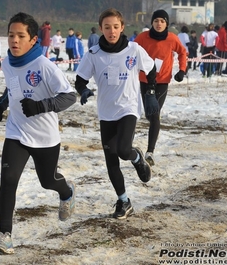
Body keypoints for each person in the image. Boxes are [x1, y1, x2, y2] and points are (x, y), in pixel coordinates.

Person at [0, 12, 76, 255]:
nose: (14, 41)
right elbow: (13, 88)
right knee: (8, 180)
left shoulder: (44, 66)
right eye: (10, 35)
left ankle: (66, 191)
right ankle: (5, 236)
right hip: (16, 131)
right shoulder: (7, 62)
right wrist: (0, 105)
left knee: (47, 181)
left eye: (20, 36)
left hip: (45, 136)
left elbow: (69, 96)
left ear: (33, 39)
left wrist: (41, 106)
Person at [75, 8, 155, 220]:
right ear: (101, 28)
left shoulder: (134, 49)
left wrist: (151, 92)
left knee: (123, 150)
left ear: (122, 28)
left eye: (116, 27)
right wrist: (83, 90)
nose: (112, 31)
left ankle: (136, 157)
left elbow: (151, 68)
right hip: (106, 112)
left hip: (128, 108)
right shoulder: (93, 54)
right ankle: (124, 201)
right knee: (111, 160)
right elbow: (80, 79)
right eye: (107, 27)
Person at [135, 9, 187, 166]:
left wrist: (182, 70)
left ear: (167, 24)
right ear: (152, 22)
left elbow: (182, 53)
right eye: (156, 21)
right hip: (144, 80)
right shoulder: (143, 38)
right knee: (149, 115)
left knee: (154, 113)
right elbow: (130, 52)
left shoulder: (172, 38)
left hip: (162, 80)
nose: (159, 24)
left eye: (162, 21)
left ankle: (150, 152)